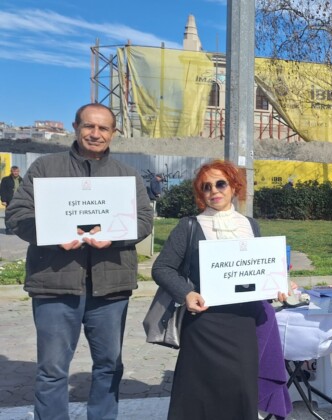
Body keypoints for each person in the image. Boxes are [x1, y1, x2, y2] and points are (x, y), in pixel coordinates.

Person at [5, 103, 154, 419]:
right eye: (89, 126)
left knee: (109, 365)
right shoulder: (46, 168)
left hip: (111, 287)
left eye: (103, 128)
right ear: (76, 127)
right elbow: (17, 215)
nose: (95, 133)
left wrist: (114, 235)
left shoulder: (126, 176)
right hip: (54, 283)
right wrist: (50, 233)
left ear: (113, 133)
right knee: (52, 369)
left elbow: (143, 220)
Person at [151, 160, 291, 420]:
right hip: (204, 324)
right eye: (206, 187)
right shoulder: (189, 226)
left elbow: (256, 272)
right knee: (199, 396)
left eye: (220, 183)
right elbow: (162, 268)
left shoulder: (250, 225)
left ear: (234, 186)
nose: (214, 190)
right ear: (200, 193)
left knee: (240, 392)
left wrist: (278, 285)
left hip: (243, 324)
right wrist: (186, 293)